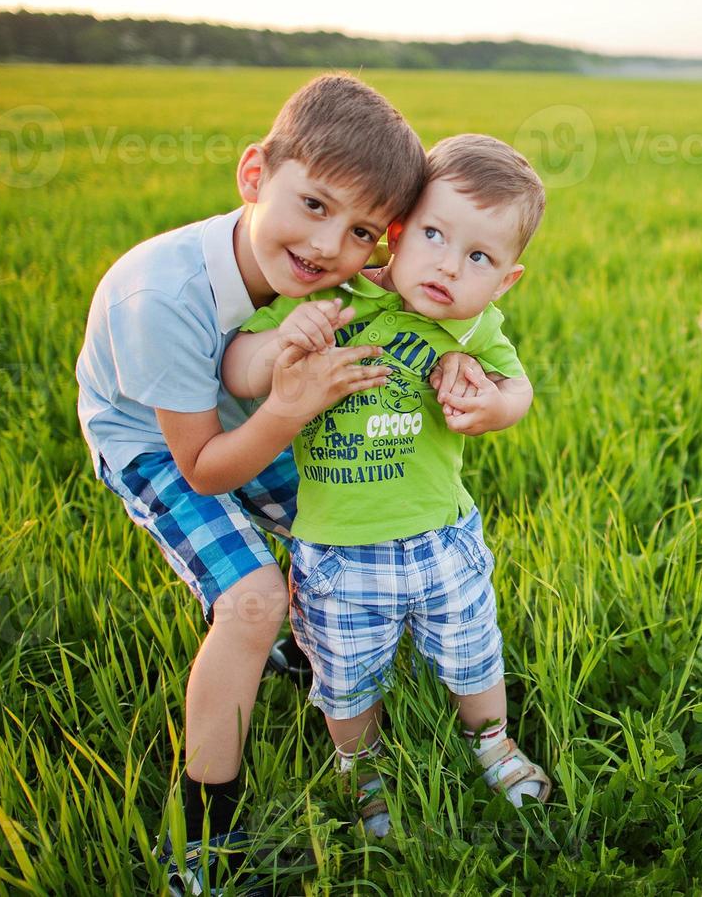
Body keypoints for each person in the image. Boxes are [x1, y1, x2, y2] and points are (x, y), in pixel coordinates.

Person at [75, 74, 485, 892]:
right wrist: (290, 410)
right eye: (315, 205)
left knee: (349, 528)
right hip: (162, 443)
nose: (332, 247)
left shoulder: (339, 273)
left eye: (363, 231)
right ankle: (204, 826)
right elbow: (204, 467)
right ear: (255, 175)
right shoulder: (164, 296)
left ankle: (327, 663)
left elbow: (435, 309)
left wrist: (463, 363)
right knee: (254, 599)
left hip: (261, 411)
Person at [222, 134, 551, 839]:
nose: (447, 265)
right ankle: (359, 765)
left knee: (472, 650)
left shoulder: (472, 324)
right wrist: (285, 344)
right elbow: (237, 368)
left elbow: (515, 386)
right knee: (346, 674)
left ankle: (490, 742)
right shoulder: (330, 301)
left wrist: (493, 406)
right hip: (341, 550)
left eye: (478, 258)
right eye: (433, 234)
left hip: (442, 536)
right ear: (397, 232)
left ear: (505, 280)